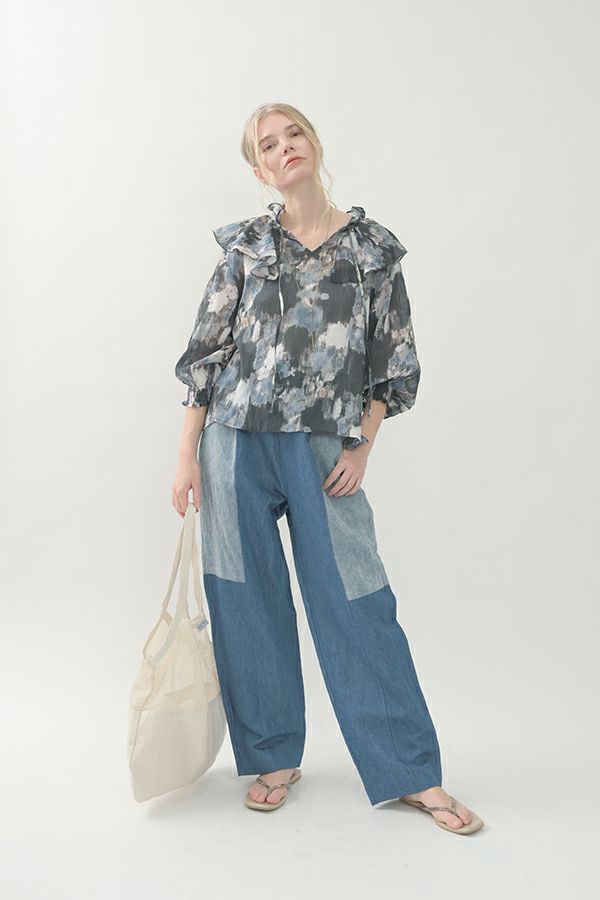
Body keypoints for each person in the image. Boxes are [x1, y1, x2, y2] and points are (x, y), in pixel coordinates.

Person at [171, 103, 484, 835]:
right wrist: (186, 455)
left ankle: (411, 772)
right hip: (234, 443)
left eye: (294, 134)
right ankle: (273, 756)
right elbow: (207, 354)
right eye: (268, 145)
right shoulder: (246, 247)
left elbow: (392, 362)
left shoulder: (372, 250)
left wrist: (362, 445)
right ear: (259, 170)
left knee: (357, 601)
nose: (285, 148)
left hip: (324, 451)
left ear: (313, 143)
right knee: (245, 599)